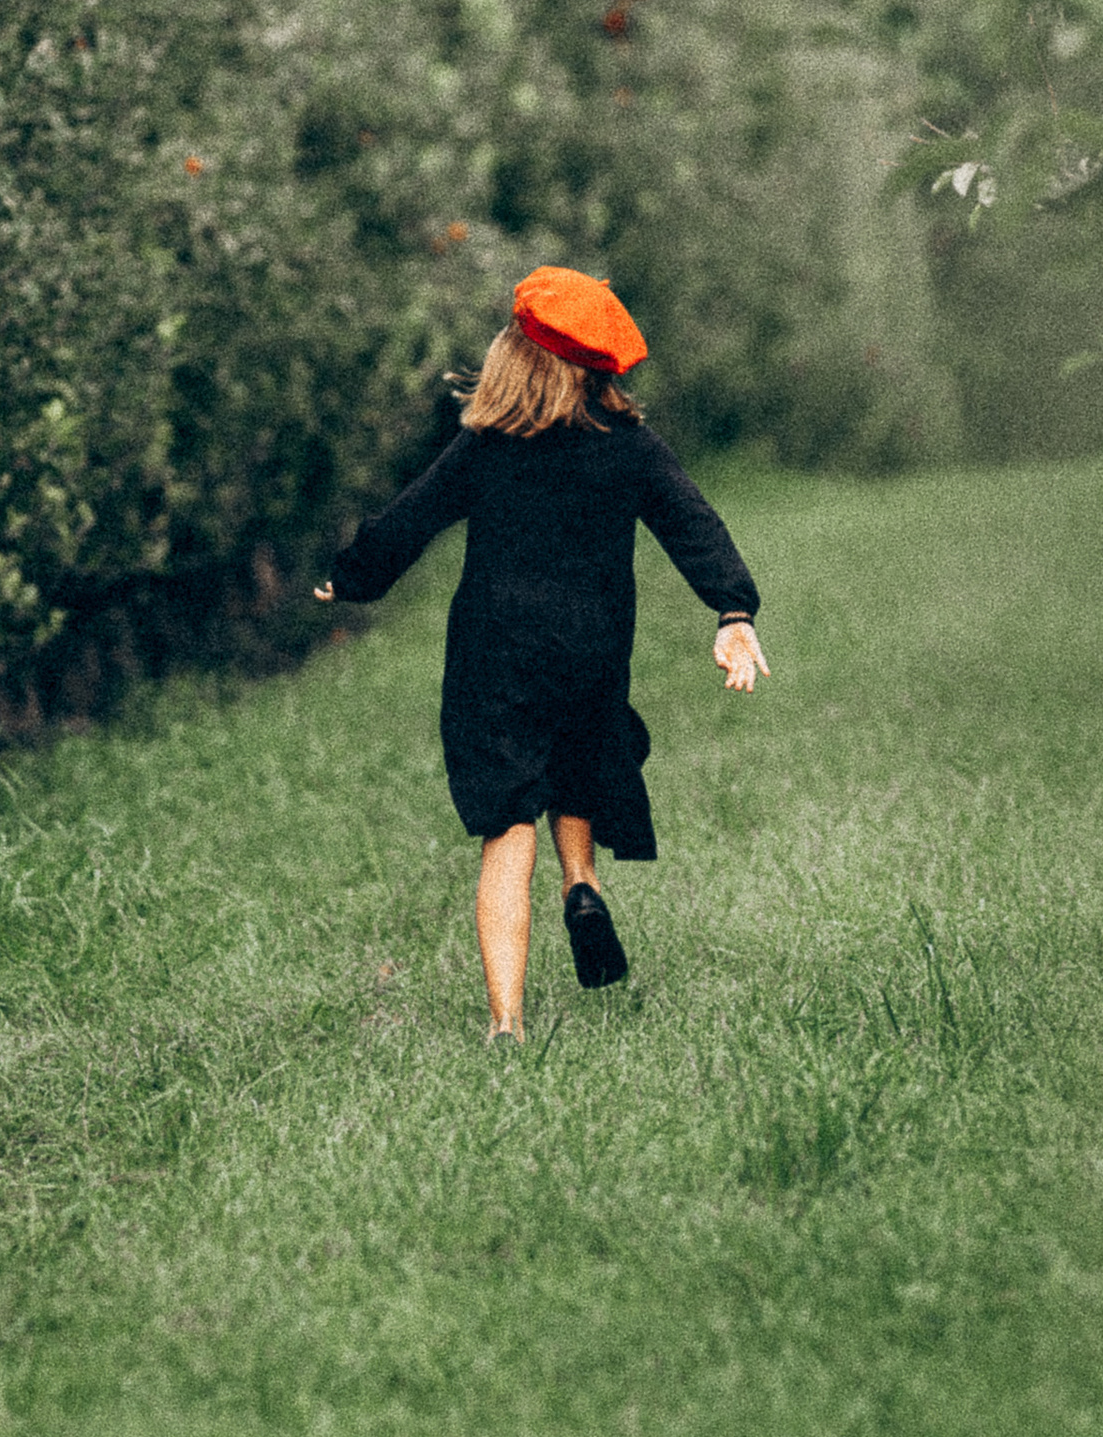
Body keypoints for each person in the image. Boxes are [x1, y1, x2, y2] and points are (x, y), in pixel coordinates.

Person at [314, 267, 768, 1038]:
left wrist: (349, 578)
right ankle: (581, 884)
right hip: (589, 652)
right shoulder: (629, 448)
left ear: (514, 359)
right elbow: (695, 524)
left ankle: (507, 1025)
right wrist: (733, 609)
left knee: (508, 824)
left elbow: (408, 521)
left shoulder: (485, 448)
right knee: (579, 767)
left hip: (494, 657)